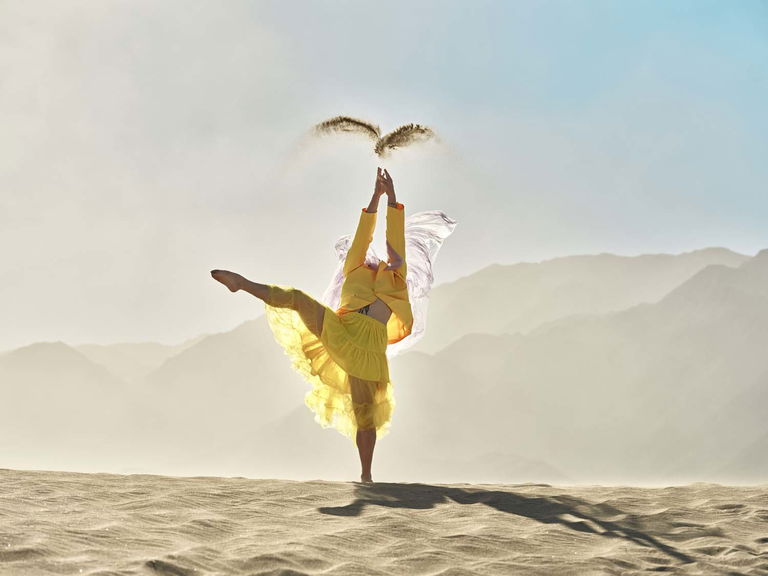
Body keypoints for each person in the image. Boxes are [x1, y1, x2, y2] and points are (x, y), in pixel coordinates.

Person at [211, 167, 413, 483]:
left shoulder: (397, 278)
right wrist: (375, 195)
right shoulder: (355, 267)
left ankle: (366, 475)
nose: (376, 257)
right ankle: (243, 284)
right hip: (341, 328)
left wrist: (393, 198)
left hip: (369, 350)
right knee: (297, 298)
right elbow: (365, 233)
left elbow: (394, 241)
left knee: (366, 416)